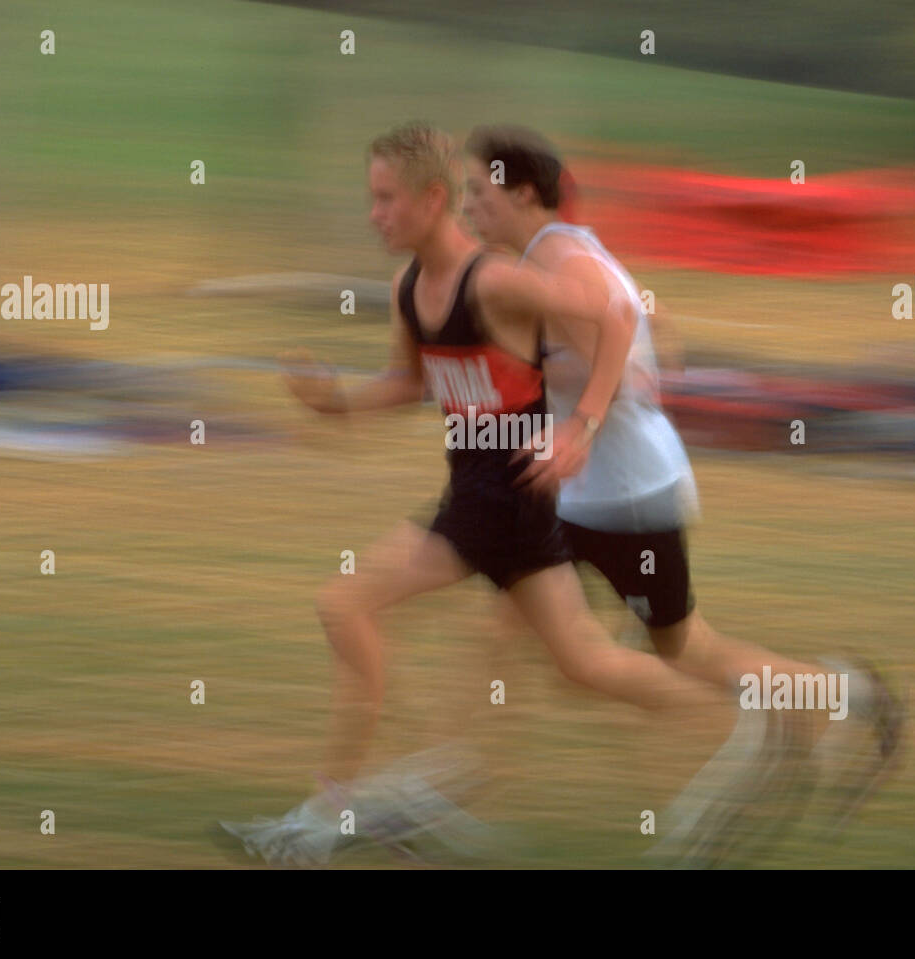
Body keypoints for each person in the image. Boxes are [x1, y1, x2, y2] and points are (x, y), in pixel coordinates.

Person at [221, 121, 733, 867]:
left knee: (345, 604)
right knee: (585, 664)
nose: (375, 215)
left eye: (386, 199)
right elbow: (409, 382)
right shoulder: (409, 289)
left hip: (504, 509)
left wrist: (582, 426)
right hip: (490, 506)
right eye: (372, 199)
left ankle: (325, 816)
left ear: (434, 200)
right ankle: (732, 719)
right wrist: (334, 405)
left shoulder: (492, 280)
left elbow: (616, 315)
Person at [459, 125, 906, 864]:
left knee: (680, 653)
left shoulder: (561, 258)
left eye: (479, 191)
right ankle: (460, 794)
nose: (470, 207)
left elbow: (622, 318)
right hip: (588, 489)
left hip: (623, 494)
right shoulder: (560, 249)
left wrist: (587, 417)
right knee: (529, 635)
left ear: (522, 193)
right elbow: (646, 319)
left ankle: (823, 706)